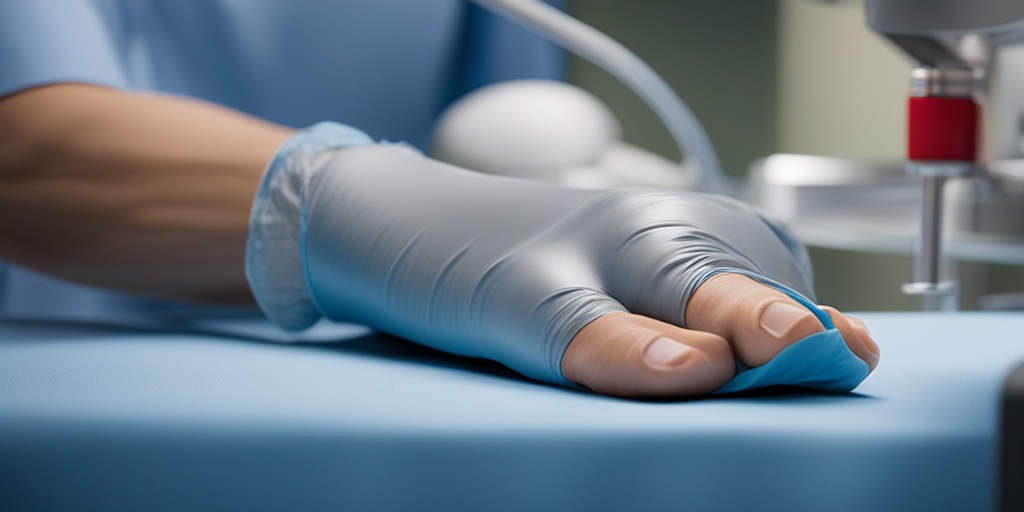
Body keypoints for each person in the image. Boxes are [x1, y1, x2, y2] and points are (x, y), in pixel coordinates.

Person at [0, 0, 878, 397]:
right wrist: (368, 217)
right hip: (97, 391)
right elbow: (26, 150)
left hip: (401, 374)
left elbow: (501, 141)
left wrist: (588, 243)